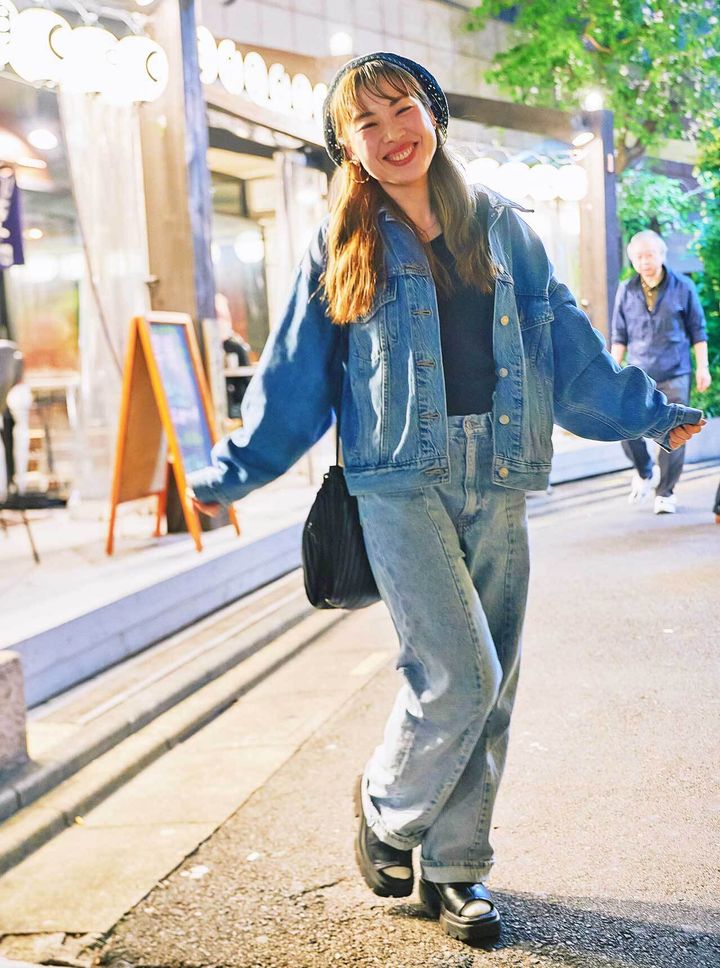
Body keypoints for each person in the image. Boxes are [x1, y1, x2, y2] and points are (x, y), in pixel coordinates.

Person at [186, 53, 704, 945]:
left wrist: (652, 416)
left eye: (403, 108)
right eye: (368, 123)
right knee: (462, 674)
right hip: (398, 479)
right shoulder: (342, 242)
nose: (393, 133)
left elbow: (568, 350)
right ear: (347, 146)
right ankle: (387, 810)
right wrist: (229, 474)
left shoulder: (504, 227)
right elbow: (295, 379)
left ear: (432, 112)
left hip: (500, 468)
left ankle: (457, 869)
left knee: (493, 685)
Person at [611, 230, 711, 514]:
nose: (644, 262)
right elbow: (619, 335)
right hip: (638, 374)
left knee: (674, 431)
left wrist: (702, 367)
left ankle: (666, 492)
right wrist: (612, 372)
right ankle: (645, 471)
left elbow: (698, 331)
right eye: (638, 257)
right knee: (624, 425)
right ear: (632, 260)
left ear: (662, 255)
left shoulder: (683, 287)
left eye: (650, 255)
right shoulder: (626, 289)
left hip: (675, 371)